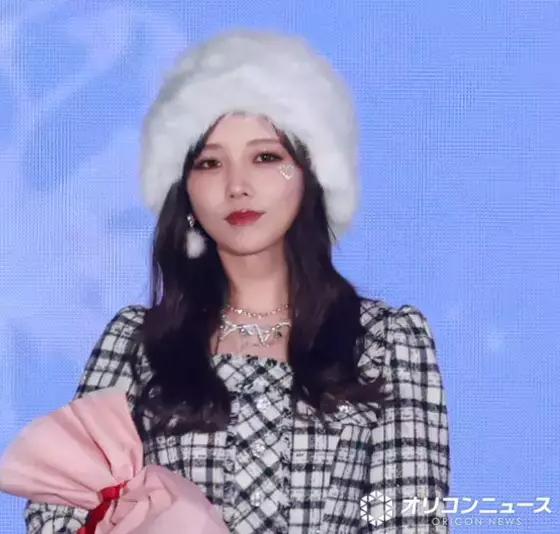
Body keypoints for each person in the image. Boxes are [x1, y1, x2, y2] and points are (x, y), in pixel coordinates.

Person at [25, 29, 450, 533]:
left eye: (266, 157)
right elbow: (57, 510)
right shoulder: (136, 343)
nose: (237, 186)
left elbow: (410, 520)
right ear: (184, 188)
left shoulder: (386, 340)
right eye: (209, 163)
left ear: (311, 172)